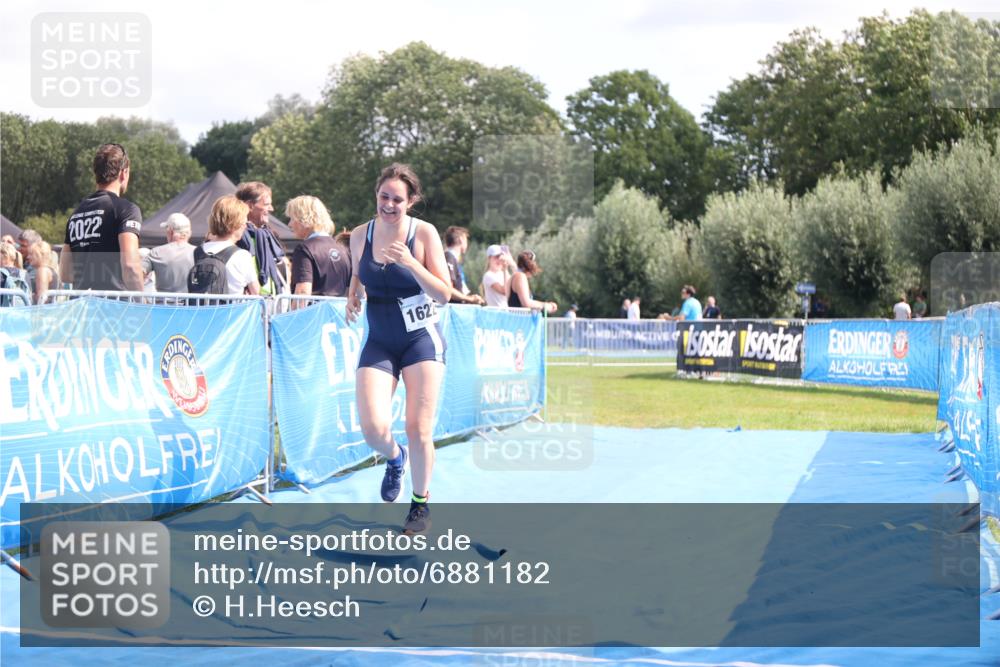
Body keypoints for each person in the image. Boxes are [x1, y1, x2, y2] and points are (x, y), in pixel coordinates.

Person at [345, 164, 452, 535]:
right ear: (377, 195)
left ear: (411, 202)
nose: (389, 205)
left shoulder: (423, 234)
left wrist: (410, 262)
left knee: (417, 427)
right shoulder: (360, 234)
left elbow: (444, 293)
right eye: (384, 197)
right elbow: (360, 271)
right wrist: (352, 292)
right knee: (374, 429)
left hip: (420, 339)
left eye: (398, 200)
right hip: (379, 339)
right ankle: (395, 458)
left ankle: (420, 505)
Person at [60, 143, 144, 291]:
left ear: (96, 174)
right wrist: (142, 305)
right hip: (114, 308)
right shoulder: (127, 209)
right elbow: (130, 266)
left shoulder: (76, 214)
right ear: (123, 173)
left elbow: (65, 274)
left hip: (82, 306)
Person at [286, 195, 351, 298]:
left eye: (292, 219)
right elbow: (351, 290)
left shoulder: (304, 249)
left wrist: (294, 314)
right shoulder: (343, 250)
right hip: (340, 313)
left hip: (314, 313)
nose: (289, 224)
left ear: (304, 219)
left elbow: (302, 293)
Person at [194, 196, 260, 295]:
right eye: (244, 223)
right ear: (235, 224)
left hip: (202, 309)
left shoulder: (197, 251)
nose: (246, 227)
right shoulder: (242, 255)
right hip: (232, 309)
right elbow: (255, 291)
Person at [235, 181, 285, 296]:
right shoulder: (236, 236)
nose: (271, 209)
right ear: (250, 206)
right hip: (249, 303)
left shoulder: (269, 235)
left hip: (272, 300)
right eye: (267, 204)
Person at [142, 213, 196, 293]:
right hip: (190, 304)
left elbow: (137, 274)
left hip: (162, 304)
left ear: (170, 231)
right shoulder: (199, 253)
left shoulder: (156, 252)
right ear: (189, 233)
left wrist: (142, 299)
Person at [443, 226, 485, 305]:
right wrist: (469, 299)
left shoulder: (451, 258)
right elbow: (448, 289)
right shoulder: (449, 257)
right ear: (461, 239)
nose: (467, 243)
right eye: (466, 239)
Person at [481, 244, 514, 308]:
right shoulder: (488, 275)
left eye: (501, 257)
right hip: (496, 314)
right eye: (496, 257)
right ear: (489, 258)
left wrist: (512, 263)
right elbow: (505, 291)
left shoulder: (504, 273)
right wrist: (505, 268)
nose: (499, 260)